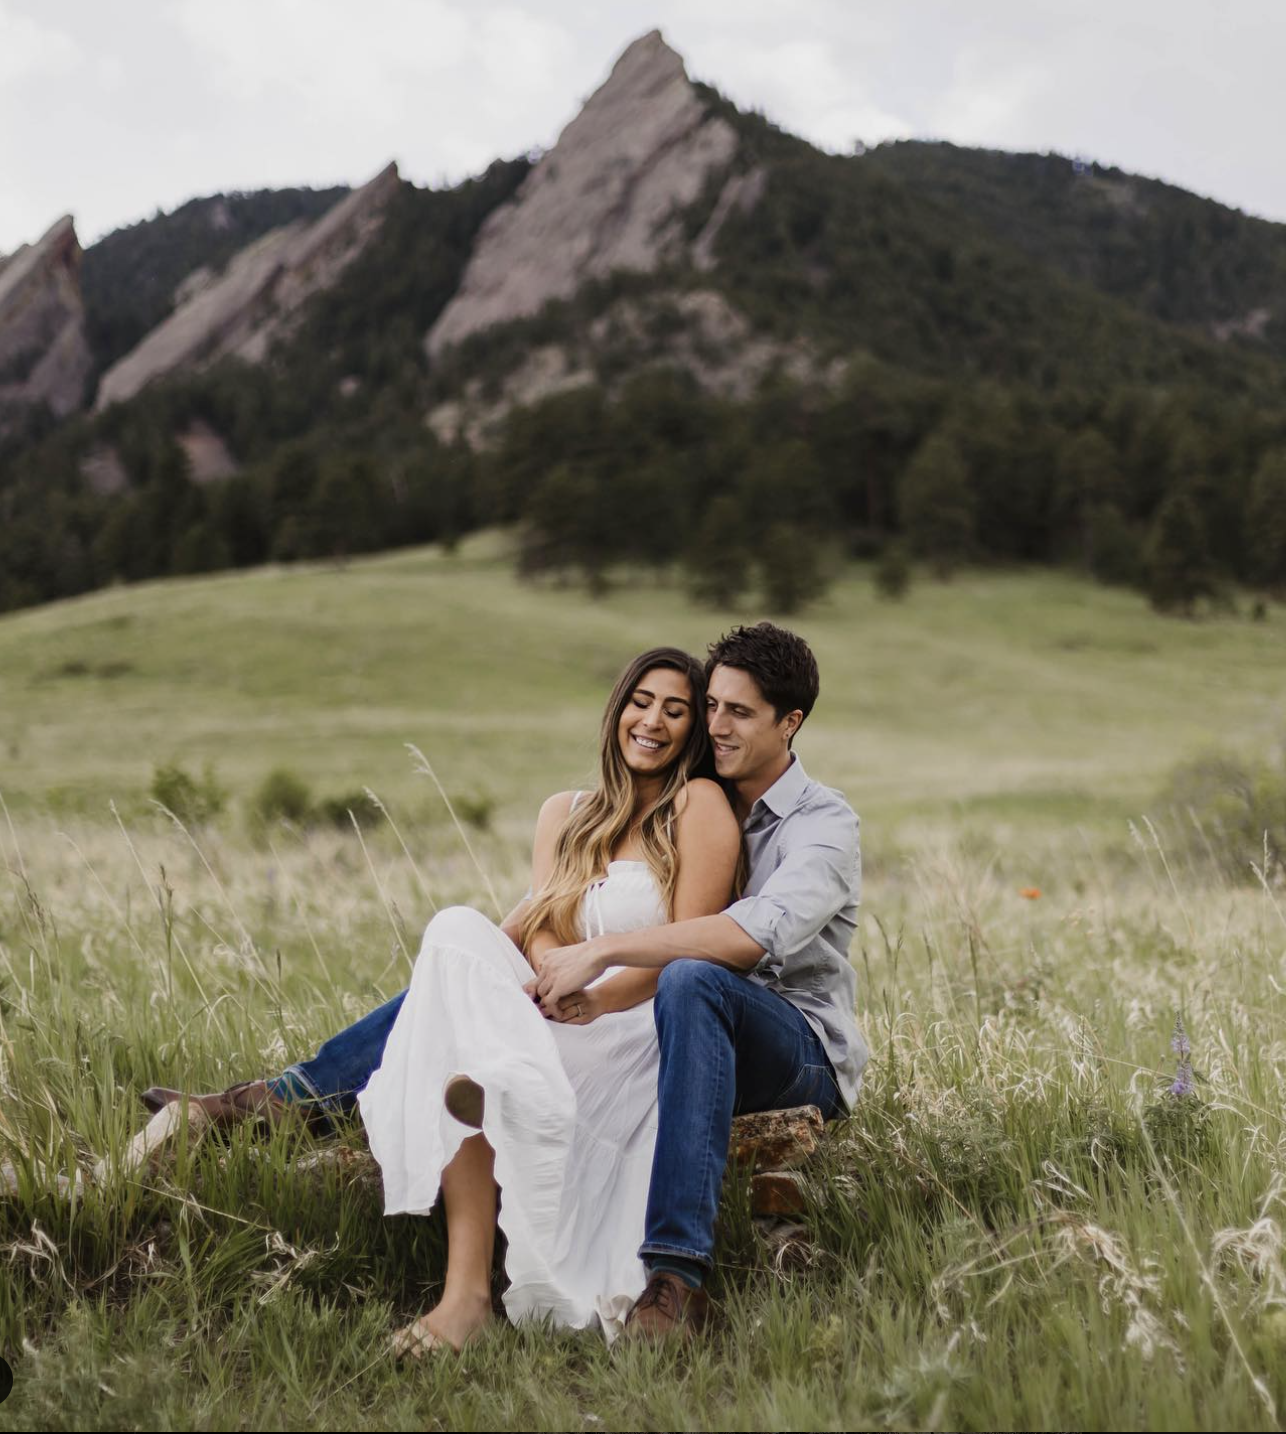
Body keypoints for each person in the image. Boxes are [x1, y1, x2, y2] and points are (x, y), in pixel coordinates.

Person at [142, 622, 868, 1342]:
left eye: (730, 712)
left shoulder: (815, 823)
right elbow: (542, 915)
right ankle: (279, 1100)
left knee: (687, 981)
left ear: (790, 722)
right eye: (707, 707)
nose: (711, 725)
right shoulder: (621, 804)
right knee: (463, 942)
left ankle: (675, 1278)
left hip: (790, 1043)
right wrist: (547, 975)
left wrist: (599, 965)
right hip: (665, 1020)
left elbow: (740, 941)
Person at [359, 646, 740, 1352]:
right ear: (617, 708)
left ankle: (490, 1095)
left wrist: (598, 998)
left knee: (474, 1057)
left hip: (631, 1025)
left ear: (692, 733)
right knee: (453, 930)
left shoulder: (698, 806)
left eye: (675, 710)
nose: (652, 720)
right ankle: (464, 1296)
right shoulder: (565, 812)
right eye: (641, 701)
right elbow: (543, 921)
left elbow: (690, 951)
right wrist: (549, 976)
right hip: (551, 1010)